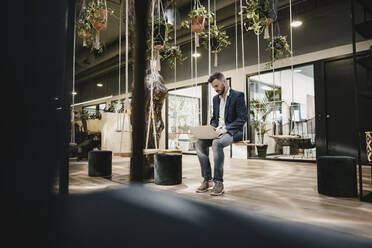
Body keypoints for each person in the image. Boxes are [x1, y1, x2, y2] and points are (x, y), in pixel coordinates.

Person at [195, 72, 247, 196]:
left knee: (216, 143)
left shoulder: (238, 96)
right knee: (199, 143)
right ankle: (207, 180)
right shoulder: (215, 99)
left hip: (232, 131)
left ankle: (219, 182)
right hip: (217, 130)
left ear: (224, 81)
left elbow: (242, 118)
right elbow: (215, 118)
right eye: (213, 87)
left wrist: (226, 129)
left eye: (217, 86)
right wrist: (211, 128)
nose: (216, 89)